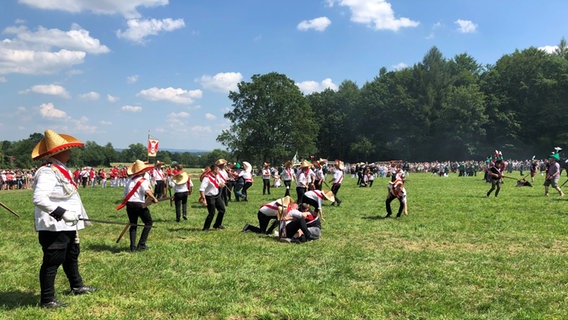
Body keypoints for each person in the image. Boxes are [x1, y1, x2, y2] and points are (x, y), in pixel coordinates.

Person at [31, 129, 97, 308]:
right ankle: (47, 299)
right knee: (52, 262)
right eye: (67, 149)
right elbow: (39, 199)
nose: (70, 152)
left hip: (67, 224)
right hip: (54, 225)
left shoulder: (60, 169)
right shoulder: (47, 172)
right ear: (58, 152)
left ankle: (77, 286)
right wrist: (62, 213)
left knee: (71, 255)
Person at [118, 160, 158, 252]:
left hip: (129, 204)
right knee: (148, 222)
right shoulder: (142, 181)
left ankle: (132, 247)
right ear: (142, 171)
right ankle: (142, 244)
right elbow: (147, 191)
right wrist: (154, 198)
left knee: (133, 225)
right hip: (138, 204)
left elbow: (124, 195)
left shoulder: (129, 181)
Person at [199, 164, 226, 230]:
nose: (219, 171)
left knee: (222, 210)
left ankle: (217, 225)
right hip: (209, 197)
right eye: (218, 170)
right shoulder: (207, 178)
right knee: (212, 213)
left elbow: (218, 184)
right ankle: (206, 228)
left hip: (217, 196)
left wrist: (221, 185)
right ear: (214, 170)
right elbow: (201, 189)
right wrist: (204, 199)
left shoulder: (217, 176)